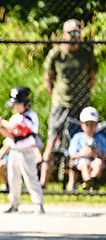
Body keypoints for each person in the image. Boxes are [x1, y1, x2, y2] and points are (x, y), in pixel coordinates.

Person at [40, 19, 98, 187]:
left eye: (77, 33)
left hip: (82, 105)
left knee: (84, 141)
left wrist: (83, 93)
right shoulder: (56, 54)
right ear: (64, 34)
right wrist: (56, 96)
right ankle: (43, 182)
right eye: (71, 33)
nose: (74, 36)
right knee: (52, 142)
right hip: (61, 104)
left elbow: (92, 77)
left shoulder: (86, 54)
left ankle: (84, 181)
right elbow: (48, 79)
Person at [0, 86, 45, 214]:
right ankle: (13, 203)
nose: (15, 106)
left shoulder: (31, 116)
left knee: (30, 177)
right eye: (14, 103)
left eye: (18, 103)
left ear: (26, 103)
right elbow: (12, 136)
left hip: (27, 152)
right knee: (13, 178)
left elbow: (19, 128)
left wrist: (1, 122)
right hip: (14, 151)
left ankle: (38, 203)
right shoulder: (14, 117)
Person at [68, 107, 106, 191]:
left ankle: (91, 182)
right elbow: (71, 155)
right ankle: (89, 182)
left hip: (96, 160)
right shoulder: (78, 137)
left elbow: (104, 155)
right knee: (85, 164)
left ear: (97, 124)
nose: (90, 127)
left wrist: (97, 153)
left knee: (98, 163)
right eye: (87, 124)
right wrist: (83, 153)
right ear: (82, 124)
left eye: (92, 124)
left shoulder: (101, 138)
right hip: (81, 161)